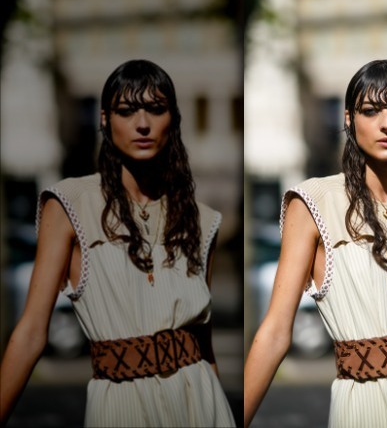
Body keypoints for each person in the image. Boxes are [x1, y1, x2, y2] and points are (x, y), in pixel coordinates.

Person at [244, 59, 387, 427]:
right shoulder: (314, 204)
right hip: (364, 408)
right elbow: (275, 332)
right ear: (349, 119)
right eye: (370, 111)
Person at [0, 59, 236, 427]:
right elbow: (31, 332)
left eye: (156, 109)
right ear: (105, 120)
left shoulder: (203, 221)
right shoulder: (69, 205)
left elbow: (204, 347)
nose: (142, 123)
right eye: (126, 111)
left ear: (173, 118)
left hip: (202, 407)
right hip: (120, 407)